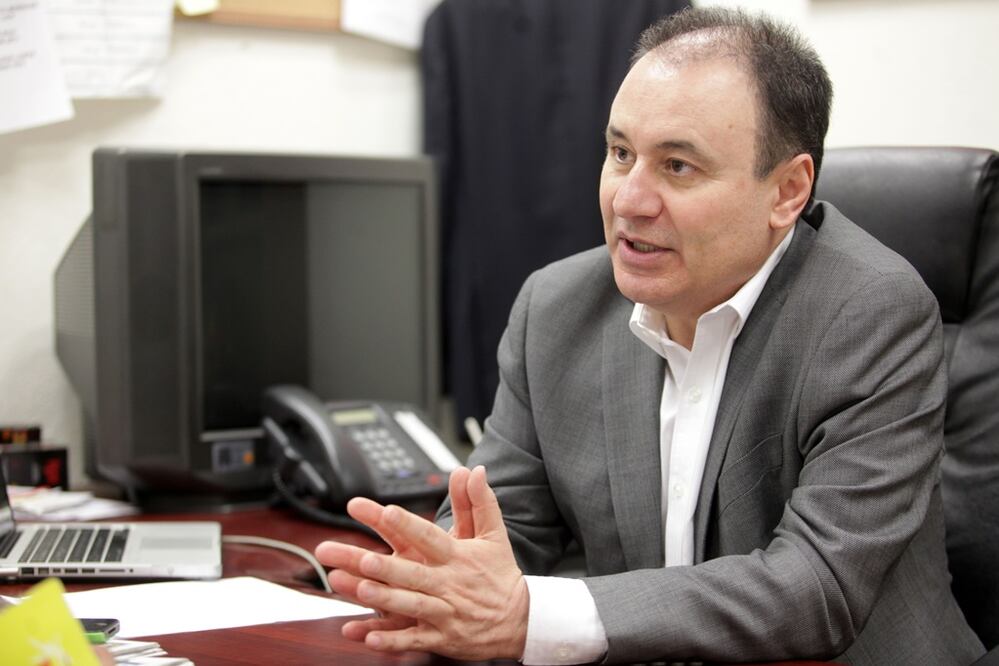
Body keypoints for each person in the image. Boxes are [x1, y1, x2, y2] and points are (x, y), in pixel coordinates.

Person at [315, 7, 986, 665]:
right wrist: (437, 587)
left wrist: (529, 616)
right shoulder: (555, 308)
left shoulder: (870, 313)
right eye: (619, 153)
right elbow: (507, 521)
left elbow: (816, 586)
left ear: (786, 191)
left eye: (677, 167)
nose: (627, 199)